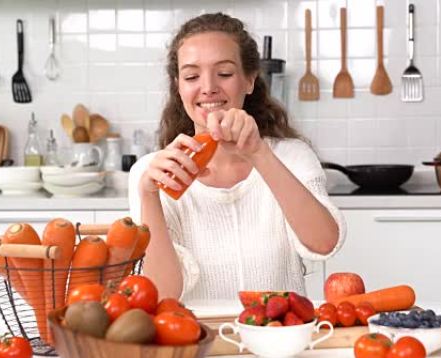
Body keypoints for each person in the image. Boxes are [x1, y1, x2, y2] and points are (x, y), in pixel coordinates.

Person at [129, 13, 346, 301]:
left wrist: (259, 154)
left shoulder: (291, 156)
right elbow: (161, 294)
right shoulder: (151, 173)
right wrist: (149, 196)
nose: (208, 87)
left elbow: (324, 244)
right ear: (178, 86)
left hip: (281, 337)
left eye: (225, 73)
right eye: (192, 76)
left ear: (249, 80)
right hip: (197, 341)